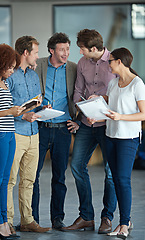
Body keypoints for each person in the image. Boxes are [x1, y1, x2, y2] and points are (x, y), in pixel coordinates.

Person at [62, 29, 117, 234]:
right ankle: (86, 217)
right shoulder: (83, 63)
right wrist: (80, 114)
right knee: (76, 166)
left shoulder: (114, 62)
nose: (80, 52)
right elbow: (78, 90)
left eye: (82, 49)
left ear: (93, 48)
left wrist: (100, 110)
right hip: (86, 123)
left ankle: (107, 218)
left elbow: (119, 94)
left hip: (108, 125)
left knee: (110, 173)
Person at [29, 32, 79, 230]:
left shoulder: (74, 68)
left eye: (67, 49)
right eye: (61, 49)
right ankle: (31, 219)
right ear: (52, 50)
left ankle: (57, 218)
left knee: (59, 177)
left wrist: (79, 121)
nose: (66, 53)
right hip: (40, 127)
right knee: (33, 175)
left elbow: (81, 93)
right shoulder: (38, 64)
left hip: (63, 130)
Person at [7, 36, 50, 234]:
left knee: (29, 181)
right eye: (35, 53)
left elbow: (35, 101)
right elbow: (3, 106)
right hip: (16, 133)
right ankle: (6, 223)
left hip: (34, 134)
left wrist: (43, 107)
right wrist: (24, 115)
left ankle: (27, 220)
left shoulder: (33, 76)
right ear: (25, 53)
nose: (37, 57)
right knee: (10, 181)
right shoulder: (8, 76)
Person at [103, 47, 145, 239]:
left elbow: (143, 114)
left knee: (123, 180)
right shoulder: (112, 84)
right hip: (111, 136)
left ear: (119, 61)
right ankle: (125, 221)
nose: (108, 64)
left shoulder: (137, 84)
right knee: (116, 182)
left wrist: (120, 117)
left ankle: (124, 224)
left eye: (110, 60)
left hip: (128, 138)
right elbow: (111, 108)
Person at [0, 44, 24, 239]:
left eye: (13, 67)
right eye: (9, 67)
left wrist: (22, 110)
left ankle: (3, 221)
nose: (11, 70)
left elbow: (4, 110)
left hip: (9, 134)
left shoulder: (5, 84)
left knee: (6, 180)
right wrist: (9, 111)